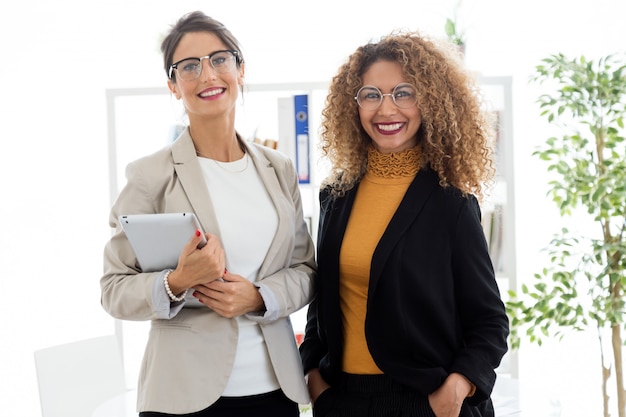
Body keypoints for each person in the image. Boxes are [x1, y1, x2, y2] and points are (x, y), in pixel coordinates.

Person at [101, 11, 316, 417]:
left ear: (240, 69)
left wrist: (259, 297)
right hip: (185, 395)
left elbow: (305, 271)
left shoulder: (280, 168)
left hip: (275, 390)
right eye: (189, 67)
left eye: (219, 59)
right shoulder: (150, 176)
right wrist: (177, 282)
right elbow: (113, 289)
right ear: (173, 85)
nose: (207, 75)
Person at [299, 31, 509, 417]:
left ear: (428, 101)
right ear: (354, 105)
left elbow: (489, 322)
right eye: (371, 95)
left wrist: (456, 388)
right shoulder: (335, 196)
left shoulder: (452, 203)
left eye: (403, 93)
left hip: (426, 399)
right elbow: (324, 302)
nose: (386, 109)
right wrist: (314, 374)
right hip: (343, 399)